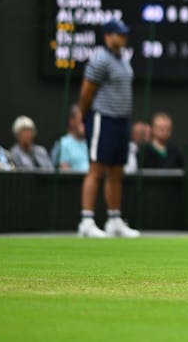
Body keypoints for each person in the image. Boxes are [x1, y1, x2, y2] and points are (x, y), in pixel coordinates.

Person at [76, 19, 140, 238]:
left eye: (124, 34)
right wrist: (84, 117)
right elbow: (86, 93)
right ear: (108, 36)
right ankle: (86, 221)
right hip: (103, 118)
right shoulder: (100, 59)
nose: (123, 38)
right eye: (118, 34)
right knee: (96, 169)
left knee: (116, 171)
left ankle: (114, 220)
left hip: (122, 121)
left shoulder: (123, 59)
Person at [52, 105, 89, 173]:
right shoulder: (63, 143)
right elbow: (64, 172)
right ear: (71, 121)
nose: (85, 124)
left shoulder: (92, 143)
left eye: (86, 121)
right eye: (81, 121)